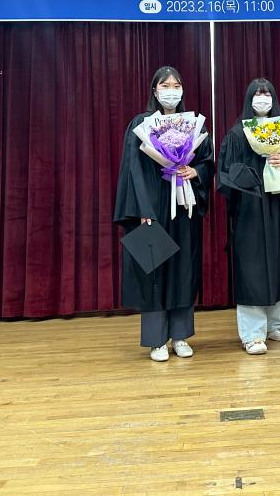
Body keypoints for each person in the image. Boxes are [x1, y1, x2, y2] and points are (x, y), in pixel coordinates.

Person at [113, 66, 214, 362]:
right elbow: (133, 170)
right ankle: (157, 340)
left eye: (176, 85)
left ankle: (180, 336)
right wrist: (143, 209)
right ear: (155, 91)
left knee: (184, 269)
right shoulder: (142, 123)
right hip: (154, 209)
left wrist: (195, 171)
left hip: (183, 207)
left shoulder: (192, 124)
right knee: (155, 272)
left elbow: (207, 161)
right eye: (165, 85)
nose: (171, 90)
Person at [217, 78, 280, 355]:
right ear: (249, 99)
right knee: (252, 268)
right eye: (257, 93)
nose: (262, 98)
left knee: (279, 262)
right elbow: (226, 172)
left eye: (267, 93)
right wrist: (252, 176)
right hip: (250, 209)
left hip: (278, 208)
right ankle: (253, 334)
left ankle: (275, 325)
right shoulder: (237, 135)